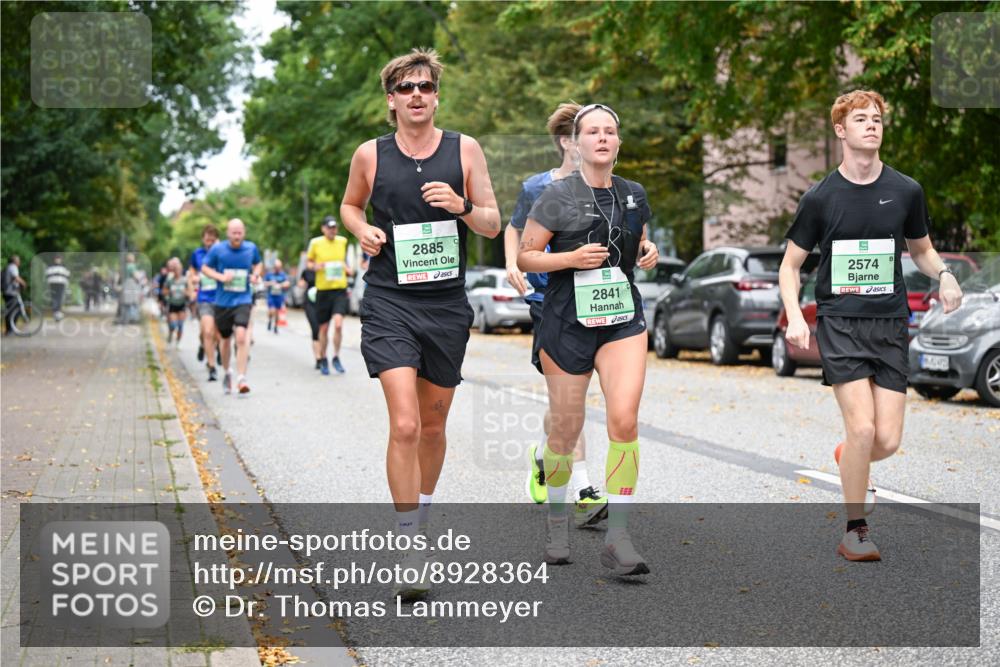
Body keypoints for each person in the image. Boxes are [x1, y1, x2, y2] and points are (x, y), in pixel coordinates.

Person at [340, 47, 501, 598]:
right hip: (389, 301)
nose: (416, 95)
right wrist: (359, 230)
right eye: (406, 87)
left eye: (425, 87)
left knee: (433, 427)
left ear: (436, 96)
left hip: (446, 306)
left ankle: (421, 517)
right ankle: (409, 542)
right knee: (405, 424)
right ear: (391, 99)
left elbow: (491, 223)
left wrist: (459, 204)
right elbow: (350, 206)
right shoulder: (370, 155)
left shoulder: (465, 150)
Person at [779, 90, 963, 562]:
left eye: (877, 118)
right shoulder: (821, 197)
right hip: (840, 323)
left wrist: (943, 274)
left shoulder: (906, 190)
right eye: (861, 119)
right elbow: (789, 265)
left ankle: (850, 460)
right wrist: (797, 316)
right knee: (862, 429)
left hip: (889, 325)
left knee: (886, 440)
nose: (872, 125)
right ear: (841, 130)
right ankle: (855, 530)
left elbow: (921, 249)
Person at [517, 103, 659, 576]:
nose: (601, 138)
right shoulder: (556, 195)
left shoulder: (634, 194)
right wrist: (569, 260)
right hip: (566, 319)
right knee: (565, 429)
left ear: (619, 142)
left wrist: (647, 250)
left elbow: (634, 241)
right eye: (592, 131)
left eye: (610, 131)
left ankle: (618, 536)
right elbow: (527, 257)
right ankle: (558, 521)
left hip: (620, 317)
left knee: (625, 419)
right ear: (576, 143)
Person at [504, 102, 607, 527]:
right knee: (567, 397)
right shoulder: (537, 188)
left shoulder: (607, 186)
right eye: (584, 132)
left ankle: (546, 456)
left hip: (596, 302)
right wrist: (513, 262)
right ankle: (583, 487)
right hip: (549, 300)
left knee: (569, 401)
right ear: (568, 141)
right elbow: (514, 227)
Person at [201, 218, 262, 395]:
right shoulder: (218, 250)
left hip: (243, 299)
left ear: (244, 232)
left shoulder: (251, 248)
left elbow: (258, 264)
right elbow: (205, 268)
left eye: (240, 232)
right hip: (222, 302)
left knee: (242, 336)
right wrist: (220, 277)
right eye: (233, 232)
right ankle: (227, 371)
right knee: (225, 340)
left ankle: (241, 378)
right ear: (228, 233)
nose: (237, 235)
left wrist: (256, 275)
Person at [307, 216, 353, 374]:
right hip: (323, 290)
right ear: (323, 228)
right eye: (329, 227)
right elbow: (309, 263)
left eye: (334, 227)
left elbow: (345, 262)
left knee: (339, 324)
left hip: (340, 289)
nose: (333, 230)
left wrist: (347, 269)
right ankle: (323, 357)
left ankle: (336, 356)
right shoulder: (315, 243)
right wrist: (316, 266)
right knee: (324, 328)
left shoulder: (343, 241)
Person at [188, 225, 221, 381]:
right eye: (207, 239)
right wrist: (192, 285)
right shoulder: (197, 254)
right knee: (207, 331)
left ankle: (206, 347)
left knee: (215, 334)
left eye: (213, 240)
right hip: (204, 298)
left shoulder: (222, 253)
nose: (210, 242)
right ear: (203, 239)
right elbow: (192, 272)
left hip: (221, 298)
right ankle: (212, 366)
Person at [297, 264, 323, 368]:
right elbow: (301, 282)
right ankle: (318, 358)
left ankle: (322, 355)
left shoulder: (324, 268)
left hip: (323, 302)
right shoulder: (306, 271)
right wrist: (301, 283)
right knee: (315, 328)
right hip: (310, 303)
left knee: (322, 329)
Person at [164, 257, 188, 344]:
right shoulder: (170, 280)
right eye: (176, 269)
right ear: (173, 270)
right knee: (173, 325)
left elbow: (190, 291)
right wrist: (168, 294)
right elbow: (164, 291)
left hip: (182, 305)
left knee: (180, 325)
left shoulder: (185, 280)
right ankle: (171, 333)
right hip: (173, 304)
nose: (178, 271)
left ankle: (178, 342)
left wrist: (187, 293)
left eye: (179, 269)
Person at [263, 259, 291, 335]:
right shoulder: (269, 274)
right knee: (271, 310)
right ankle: (269, 320)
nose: (277, 268)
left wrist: (281, 285)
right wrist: (270, 283)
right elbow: (264, 283)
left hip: (279, 296)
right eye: (276, 267)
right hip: (271, 295)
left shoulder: (282, 275)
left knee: (277, 312)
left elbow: (288, 283)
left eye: (279, 267)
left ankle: (275, 326)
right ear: (274, 267)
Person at [3, 255, 27, 334]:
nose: (19, 262)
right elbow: (16, 277)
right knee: (15, 310)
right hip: (11, 293)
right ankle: (10, 329)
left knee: (10, 310)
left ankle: (9, 329)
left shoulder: (8, 267)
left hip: (7, 292)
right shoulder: (13, 267)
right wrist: (23, 283)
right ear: (15, 261)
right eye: (18, 260)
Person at [45, 255, 71, 321]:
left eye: (59, 259)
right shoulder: (51, 267)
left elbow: (67, 275)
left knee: (59, 297)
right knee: (54, 297)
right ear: (54, 260)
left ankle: (57, 312)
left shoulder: (63, 267)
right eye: (57, 259)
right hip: (53, 284)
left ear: (61, 260)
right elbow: (47, 275)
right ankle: (56, 312)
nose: (58, 260)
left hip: (61, 284)